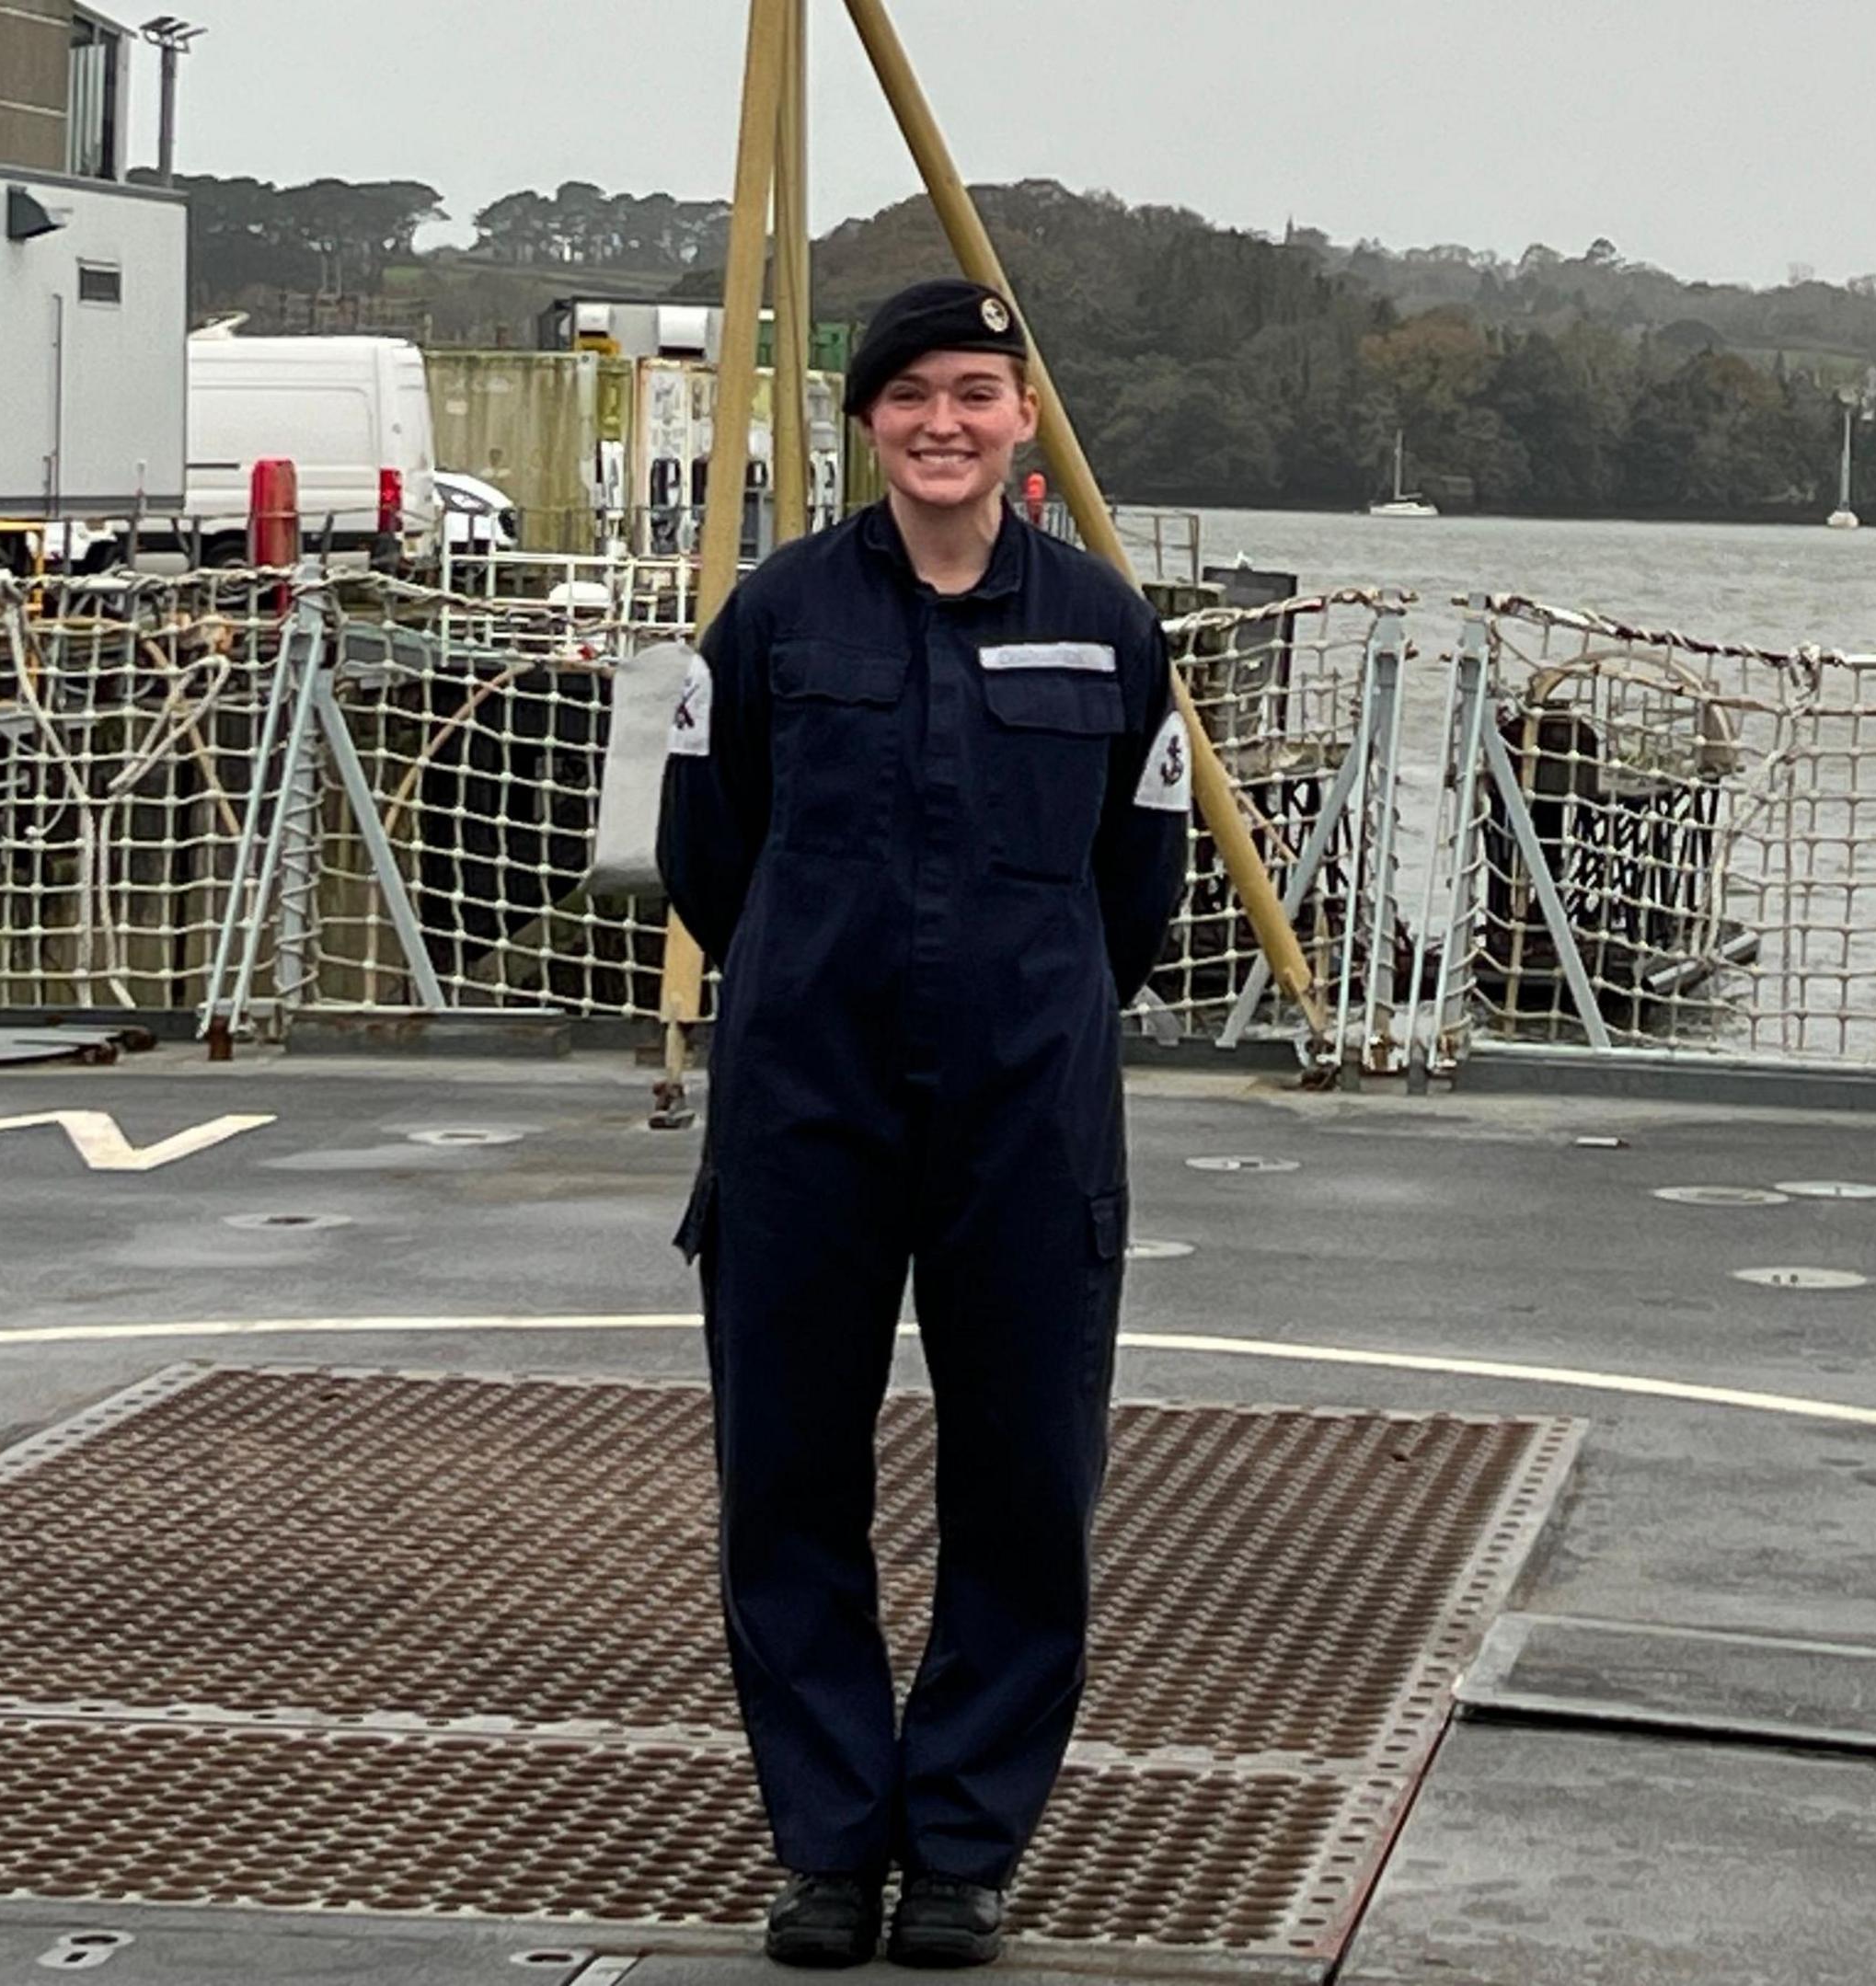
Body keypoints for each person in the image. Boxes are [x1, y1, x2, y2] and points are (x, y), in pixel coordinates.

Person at [659, 278, 1191, 1970]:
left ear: (1022, 416)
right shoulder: (775, 617)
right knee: (787, 1477)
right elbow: (706, 846)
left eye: (976, 392)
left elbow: (1142, 878)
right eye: (911, 397)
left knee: (1027, 1479)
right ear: (869, 423)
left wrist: (1017, 1008)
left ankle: (960, 1844)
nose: (943, 424)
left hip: (1026, 1113)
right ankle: (827, 1843)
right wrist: (822, 987)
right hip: (807, 1104)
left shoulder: (1107, 627)